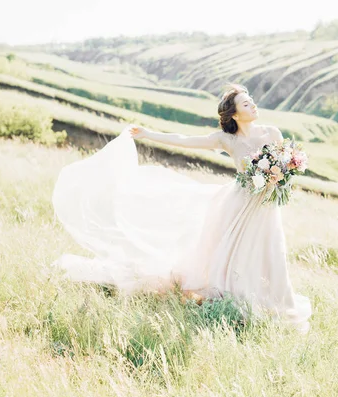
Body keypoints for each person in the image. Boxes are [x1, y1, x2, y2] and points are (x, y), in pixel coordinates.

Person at [51, 83, 312, 334]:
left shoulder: (272, 133)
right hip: (240, 205)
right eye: (246, 103)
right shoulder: (226, 140)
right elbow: (185, 140)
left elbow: (287, 163)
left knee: (271, 251)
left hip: (266, 207)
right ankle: (239, 304)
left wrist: (282, 173)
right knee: (237, 255)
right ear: (234, 113)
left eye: (251, 100)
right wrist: (147, 134)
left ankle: (275, 304)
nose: (253, 104)